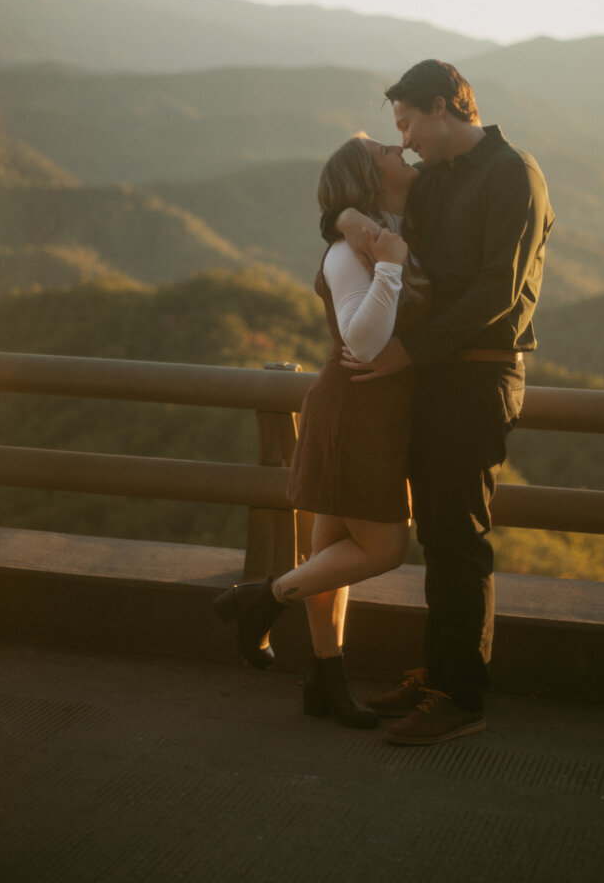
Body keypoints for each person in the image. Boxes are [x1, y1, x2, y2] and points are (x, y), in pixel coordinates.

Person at [338, 59, 554, 745]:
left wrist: (411, 352)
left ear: (441, 106)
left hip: (481, 375)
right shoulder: (436, 182)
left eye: (407, 123)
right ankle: (437, 674)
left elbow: (499, 292)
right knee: (437, 533)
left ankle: (462, 695)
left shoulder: (513, 173)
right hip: (435, 377)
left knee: (460, 536)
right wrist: (345, 217)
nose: (403, 141)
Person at [214, 133, 430, 727]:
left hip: (370, 411)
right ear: (369, 179)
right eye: (388, 152)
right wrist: (388, 265)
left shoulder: (381, 230)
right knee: (385, 547)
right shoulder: (348, 252)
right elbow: (363, 341)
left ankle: (324, 684)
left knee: (331, 554)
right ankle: (262, 598)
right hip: (355, 412)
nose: (400, 151)